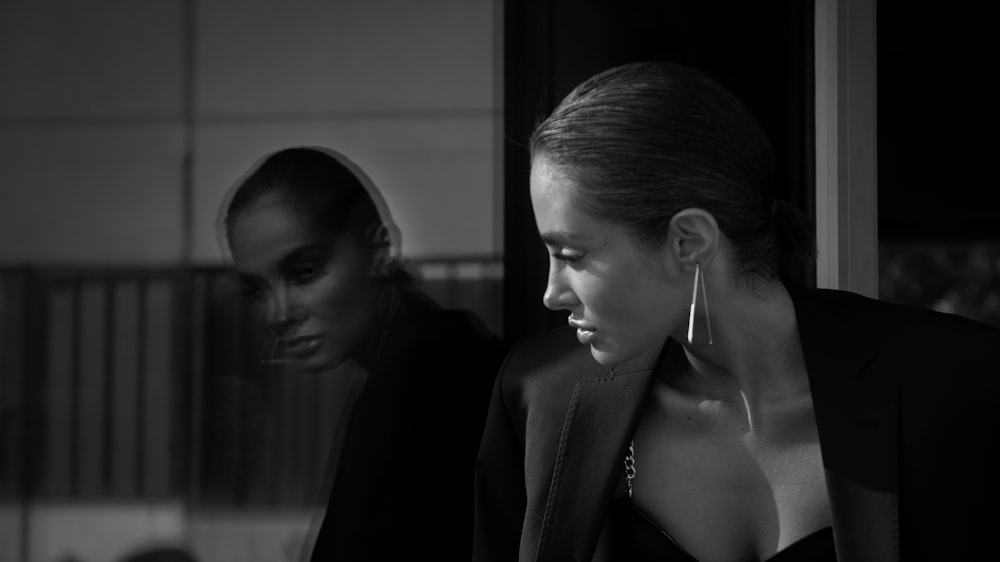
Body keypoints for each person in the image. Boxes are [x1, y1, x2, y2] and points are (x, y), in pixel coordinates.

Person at [473, 61, 1000, 561]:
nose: (551, 293)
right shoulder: (541, 396)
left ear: (689, 240)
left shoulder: (961, 388)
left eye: (572, 255)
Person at [218, 146, 502, 561]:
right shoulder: (424, 364)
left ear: (379, 250)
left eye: (305, 272)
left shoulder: (427, 385)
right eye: (257, 290)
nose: (278, 313)